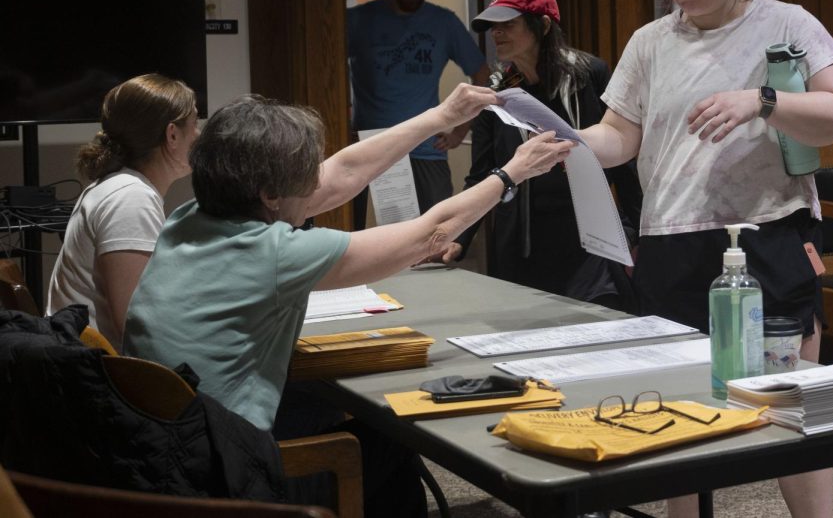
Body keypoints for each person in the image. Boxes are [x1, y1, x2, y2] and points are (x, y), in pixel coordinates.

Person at [123, 84, 571, 517]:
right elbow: (427, 236)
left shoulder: (190, 217)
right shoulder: (275, 253)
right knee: (391, 437)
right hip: (223, 472)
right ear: (270, 195)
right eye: (304, 173)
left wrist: (442, 117)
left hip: (164, 446)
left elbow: (343, 175)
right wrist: (511, 174)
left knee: (330, 403)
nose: (315, 180)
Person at [578, 0, 833, 518]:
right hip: (672, 241)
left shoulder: (786, 23)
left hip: (770, 233)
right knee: (682, 414)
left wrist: (761, 100)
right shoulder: (651, 42)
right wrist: (564, 144)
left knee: (786, 408)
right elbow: (619, 137)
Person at [437, 0, 641, 310]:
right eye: (493, 27)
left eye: (508, 25)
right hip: (521, 240)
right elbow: (481, 176)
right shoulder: (494, 90)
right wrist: (458, 236)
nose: (496, 34)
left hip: (587, 236)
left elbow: (623, 159)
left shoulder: (590, 74)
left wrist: (636, 229)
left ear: (543, 25)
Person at [45, 73, 198, 348]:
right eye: (194, 124)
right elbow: (136, 324)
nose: (198, 135)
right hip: (103, 377)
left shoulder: (120, 187)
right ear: (172, 134)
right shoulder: (131, 199)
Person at [346, 0, 489, 226]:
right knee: (353, 235)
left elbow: (482, 75)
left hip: (425, 149)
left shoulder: (443, 23)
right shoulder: (357, 20)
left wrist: (460, 131)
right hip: (367, 147)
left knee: (435, 238)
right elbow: (327, 76)